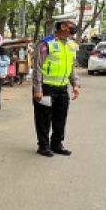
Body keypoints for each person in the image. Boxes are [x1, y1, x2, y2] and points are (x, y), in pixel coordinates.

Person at [32, 17, 82, 156]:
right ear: (63, 26)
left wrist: (75, 84)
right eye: (71, 24)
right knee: (43, 118)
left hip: (62, 88)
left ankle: (56, 144)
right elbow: (37, 68)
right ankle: (43, 146)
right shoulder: (46, 44)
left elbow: (71, 67)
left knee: (60, 118)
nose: (74, 27)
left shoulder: (71, 45)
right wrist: (38, 89)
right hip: (46, 87)